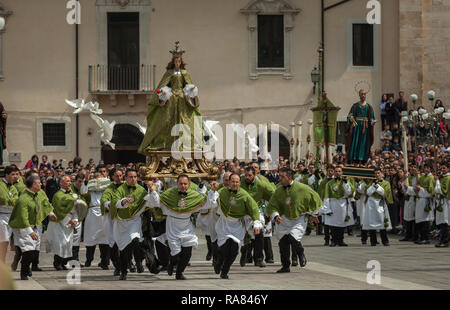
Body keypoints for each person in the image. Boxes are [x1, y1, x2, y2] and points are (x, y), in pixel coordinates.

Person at [146, 174, 218, 280]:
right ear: (177, 184)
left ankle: (179, 273)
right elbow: (156, 202)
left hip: (186, 226)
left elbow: (208, 203)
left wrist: (212, 190)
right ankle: (171, 264)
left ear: (188, 184)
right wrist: (152, 191)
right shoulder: (169, 193)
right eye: (181, 184)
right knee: (175, 252)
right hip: (172, 225)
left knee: (187, 253)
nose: (183, 186)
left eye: (185, 184)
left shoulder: (193, 195)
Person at [138, 41, 202, 153]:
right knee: (167, 120)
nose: (177, 63)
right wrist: (162, 93)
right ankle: (166, 143)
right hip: (171, 99)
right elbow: (160, 87)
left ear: (181, 62)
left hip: (182, 99)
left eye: (179, 61)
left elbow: (189, 85)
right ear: (173, 62)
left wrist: (192, 90)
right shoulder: (169, 73)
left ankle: (185, 143)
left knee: (184, 121)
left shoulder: (185, 73)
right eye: (175, 61)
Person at [207, 173, 261, 279]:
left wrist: (256, 223)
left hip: (237, 226)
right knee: (225, 249)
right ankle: (219, 261)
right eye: (233, 181)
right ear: (229, 182)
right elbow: (212, 202)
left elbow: (253, 208)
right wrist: (212, 190)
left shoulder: (245, 195)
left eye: (237, 182)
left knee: (234, 250)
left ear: (239, 183)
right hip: (224, 224)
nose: (235, 184)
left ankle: (225, 271)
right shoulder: (222, 192)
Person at [267, 168, 322, 273]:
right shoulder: (278, 190)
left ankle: (300, 253)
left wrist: (314, 214)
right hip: (284, 219)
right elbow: (272, 205)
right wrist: (275, 215)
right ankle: (285, 265)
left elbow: (315, 198)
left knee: (293, 238)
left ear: (290, 177)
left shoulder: (302, 188)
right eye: (279, 176)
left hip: (299, 219)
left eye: (282, 177)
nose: (280, 179)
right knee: (283, 243)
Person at [8, 176, 55, 280]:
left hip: (33, 225)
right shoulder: (23, 199)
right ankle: (24, 273)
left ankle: (25, 264)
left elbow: (44, 203)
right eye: (39, 183)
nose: (41, 184)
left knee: (33, 251)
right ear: (33, 185)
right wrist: (30, 231)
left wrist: (51, 213)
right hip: (21, 226)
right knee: (29, 251)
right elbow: (22, 217)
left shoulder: (38, 194)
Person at [110, 169, 149, 280]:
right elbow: (114, 202)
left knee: (135, 239)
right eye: (130, 177)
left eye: (135, 177)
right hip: (121, 222)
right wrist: (122, 202)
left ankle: (138, 261)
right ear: (126, 178)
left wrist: (152, 191)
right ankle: (123, 271)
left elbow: (148, 201)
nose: (133, 179)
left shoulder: (141, 190)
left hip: (134, 220)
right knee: (124, 249)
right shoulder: (120, 189)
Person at [45, 175, 87, 270]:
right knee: (61, 242)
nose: (69, 183)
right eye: (67, 181)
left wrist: (75, 220)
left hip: (71, 221)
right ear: (61, 183)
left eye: (70, 181)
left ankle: (64, 262)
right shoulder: (57, 195)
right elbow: (58, 211)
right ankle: (57, 262)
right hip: (60, 222)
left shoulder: (72, 194)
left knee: (68, 243)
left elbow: (76, 208)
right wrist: (69, 220)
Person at [240, 166, 274, 268]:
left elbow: (274, 195)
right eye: (245, 175)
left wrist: (271, 211)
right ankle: (244, 255)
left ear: (254, 175)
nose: (247, 177)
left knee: (258, 232)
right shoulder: (239, 183)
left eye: (249, 175)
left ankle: (259, 258)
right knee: (243, 235)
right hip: (242, 212)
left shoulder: (261, 185)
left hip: (257, 211)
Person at [84, 165, 112, 270]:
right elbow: (83, 191)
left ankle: (104, 261)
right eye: (96, 180)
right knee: (91, 237)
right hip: (92, 212)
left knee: (104, 237)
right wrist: (87, 182)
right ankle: (89, 259)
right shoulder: (89, 186)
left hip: (104, 212)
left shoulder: (108, 186)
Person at [323, 167, 355, 246]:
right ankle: (333, 240)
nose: (337, 173)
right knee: (333, 224)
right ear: (334, 172)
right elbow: (326, 197)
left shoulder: (346, 181)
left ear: (342, 172)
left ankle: (341, 240)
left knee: (342, 223)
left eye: (339, 171)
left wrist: (345, 183)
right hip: (333, 204)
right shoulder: (329, 183)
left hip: (343, 204)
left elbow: (349, 192)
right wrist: (327, 209)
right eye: (336, 171)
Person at [100, 167, 123, 276]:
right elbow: (104, 199)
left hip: (125, 219)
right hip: (112, 219)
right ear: (112, 177)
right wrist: (110, 204)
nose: (119, 178)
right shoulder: (109, 188)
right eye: (116, 176)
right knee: (113, 243)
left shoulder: (126, 187)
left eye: (120, 175)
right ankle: (117, 266)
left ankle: (127, 264)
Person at [361, 169, 393, 246]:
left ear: (382, 174)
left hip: (380, 203)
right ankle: (373, 240)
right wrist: (373, 185)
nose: (377, 175)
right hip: (371, 204)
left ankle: (384, 240)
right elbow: (368, 192)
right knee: (372, 222)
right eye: (375, 173)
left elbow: (385, 193)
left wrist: (377, 186)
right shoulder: (370, 183)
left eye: (378, 173)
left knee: (382, 221)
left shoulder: (386, 183)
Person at [346, 90, 376, 165]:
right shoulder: (355, 105)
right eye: (362, 94)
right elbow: (350, 115)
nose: (363, 95)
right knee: (355, 141)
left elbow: (372, 117)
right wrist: (351, 118)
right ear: (359, 95)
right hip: (356, 126)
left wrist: (372, 121)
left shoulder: (369, 106)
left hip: (366, 127)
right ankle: (355, 158)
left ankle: (363, 159)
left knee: (364, 142)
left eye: (364, 94)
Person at [0, 166, 20, 263]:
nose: (15, 177)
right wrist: (9, 201)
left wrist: (9, 201)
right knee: (3, 240)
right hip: (1, 215)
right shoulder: (0, 185)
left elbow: (16, 200)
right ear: (6, 175)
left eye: (17, 174)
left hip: (11, 216)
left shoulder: (13, 187)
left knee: (7, 240)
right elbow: (3, 198)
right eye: (13, 174)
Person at [414, 163, 435, 244]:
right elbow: (417, 185)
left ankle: (426, 238)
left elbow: (431, 191)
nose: (425, 169)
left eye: (427, 168)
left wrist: (421, 189)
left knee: (425, 220)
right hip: (420, 200)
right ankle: (421, 237)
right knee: (420, 220)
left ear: (430, 169)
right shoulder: (422, 177)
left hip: (426, 199)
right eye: (424, 168)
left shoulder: (431, 177)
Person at [400, 165, 419, 241]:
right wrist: (405, 192)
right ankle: (408, 235)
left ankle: (415, 236)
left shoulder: (418, 178)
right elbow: (404, 186)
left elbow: (417, 190)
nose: (413, 169)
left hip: (414, 199)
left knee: (413, 219)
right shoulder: (410, 177)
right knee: (407, 218)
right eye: (412, 167)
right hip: (408, 199)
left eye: (415, 167)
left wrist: (408, 189)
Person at [318, 166, 335, 246]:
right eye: (329, 171)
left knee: (334, 222)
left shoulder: (336, 181)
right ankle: (327, 239)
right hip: (326, 202)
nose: (330, 172)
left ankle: (334, 239)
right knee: (326, 222)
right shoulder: (323, 181)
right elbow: (320, 191)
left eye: (332, 171)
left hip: (335, 202)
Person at [434, 163, 449, 247]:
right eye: (441, 168)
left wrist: (437, 181)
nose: (442, 170)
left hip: (446, 202)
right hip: (441, 201)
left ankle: (445, 241)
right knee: (441, 222)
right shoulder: (442, 178)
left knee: (445, 221)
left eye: (444, 168)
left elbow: (442, 191)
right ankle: (442, 239)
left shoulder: (447, 178)